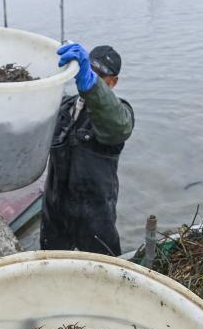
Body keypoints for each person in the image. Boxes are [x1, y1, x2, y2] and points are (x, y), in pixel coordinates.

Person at [40, 42, 134, 256]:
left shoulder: (119, 113)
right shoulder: (64, 105)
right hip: (55, 210)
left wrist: (91, 85)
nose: (93, 76)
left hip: (94, 217)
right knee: (50, 266)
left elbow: (119, 126)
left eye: (100, 75)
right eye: (89, 70)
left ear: (113, 82)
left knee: (105, 270)